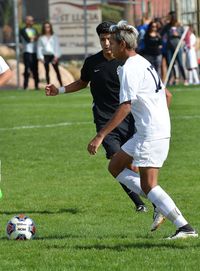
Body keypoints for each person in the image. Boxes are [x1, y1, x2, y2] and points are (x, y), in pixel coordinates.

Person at [87, 20, 198, 240]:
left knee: (149, 185)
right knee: (115, 166)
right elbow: (168, 95)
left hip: (150, 133)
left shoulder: (129, 68)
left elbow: (125, 106)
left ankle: (185, 227)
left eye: (113, 42)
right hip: (148, 131)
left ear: (122, 45)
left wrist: (101, 135)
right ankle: (160, 204)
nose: (109, 45)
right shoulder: (143, 62)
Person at [45, 21, 148, 213]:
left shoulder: (128, 61)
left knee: (131, 166)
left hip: (130, 118)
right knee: (117, 160)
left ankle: (151, 198)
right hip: (105, 121)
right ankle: (140, 203)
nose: (107, 43)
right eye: (103, 39)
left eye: (109, 39)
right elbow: (82, 82)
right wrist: (58, 90)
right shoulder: (92, 62)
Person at [161, 11, 188, 85]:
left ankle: (185, 79)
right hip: (169, 47)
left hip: (178, 48)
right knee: (170, 63)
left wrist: (178, 34)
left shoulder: (179, 26)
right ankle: (174, 78)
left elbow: (184, 35)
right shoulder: (167, 26)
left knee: (180, 63)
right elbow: (161, 33)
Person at [37, 21, 63, 86]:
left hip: (53, 56)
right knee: (47, 71)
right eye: (45, 27)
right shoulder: (41, 38)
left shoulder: (54, 37)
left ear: (50, 28)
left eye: (48, 27)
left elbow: (57, 47)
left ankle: (61, 85)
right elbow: (39, 48)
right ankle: (48, 85)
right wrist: (40, 57)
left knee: (57, 70)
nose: (47, 28)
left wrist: (56, 56)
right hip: (45, 56)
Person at [20, 15, 39, 90]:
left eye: (32, 20)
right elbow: (27, 39)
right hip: (27, 52)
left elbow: (37, 37)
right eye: (30, 20)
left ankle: (36, 86)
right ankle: (25, 86)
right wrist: (33, 38)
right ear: (26, 21)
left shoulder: (34, 30)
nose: (32, 22)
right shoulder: (23, 30)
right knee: (27, 69)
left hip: (34, 52)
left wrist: (33, 38)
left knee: (35, 69)